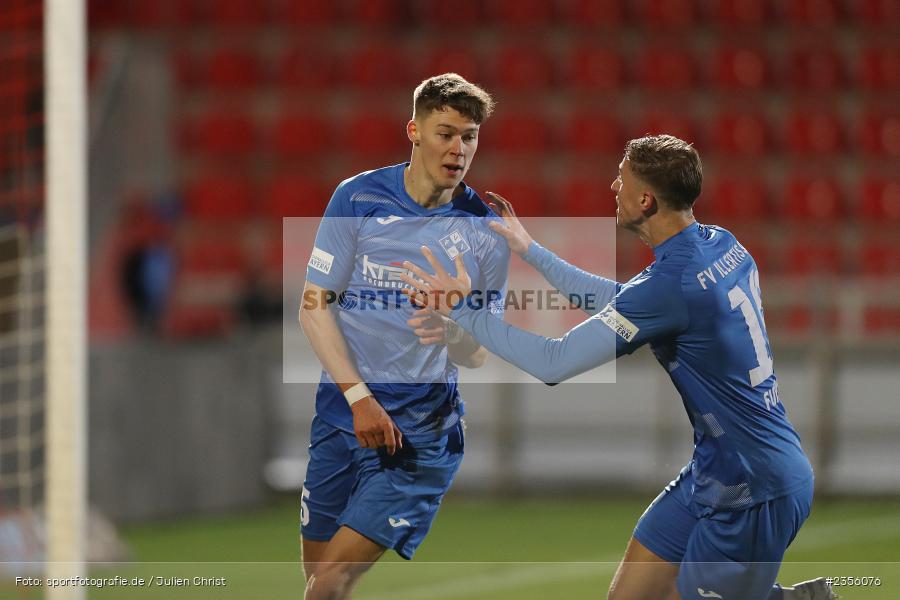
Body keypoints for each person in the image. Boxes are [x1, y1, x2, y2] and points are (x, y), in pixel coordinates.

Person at [400, 135, 836, 600]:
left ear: (646, 200)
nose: (613, 186)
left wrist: (463, 311)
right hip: (716, 469)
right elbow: (621, 303)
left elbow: (554, 361)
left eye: (622, 180)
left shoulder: (671, 284)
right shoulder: (720, 246)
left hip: (755, 486)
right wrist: (530, 249)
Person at [298, 73, 509, 600]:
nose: (459, 149)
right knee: (319, 581)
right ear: (413, 130)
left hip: (418, 432)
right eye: (445, 133)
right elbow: (313, 307)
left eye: (470, 136)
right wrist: (358, 398)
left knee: (328, 583)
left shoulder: (484, 231)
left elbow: (480, 352)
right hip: (342, 413)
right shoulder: (359, 197)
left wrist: (453, 327)